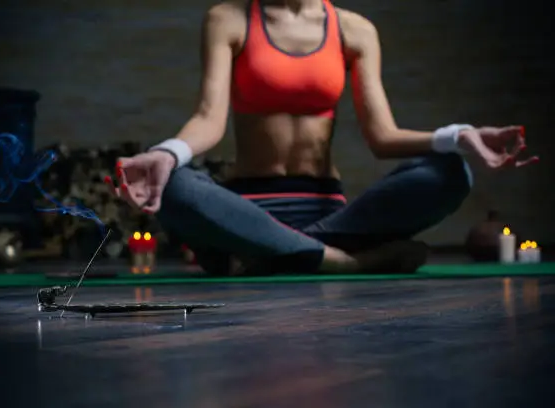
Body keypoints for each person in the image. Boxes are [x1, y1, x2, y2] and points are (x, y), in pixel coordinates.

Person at [106, 0, 538, 275]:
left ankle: (277, 255)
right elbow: (208, 120)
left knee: (449, 171)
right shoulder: (229, 18)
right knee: (177, 184)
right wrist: (167, 153)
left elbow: (383, 138)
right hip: (246, 211)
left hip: (333, 216)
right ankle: (343, 263)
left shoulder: (355, 29)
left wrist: (461, 136)